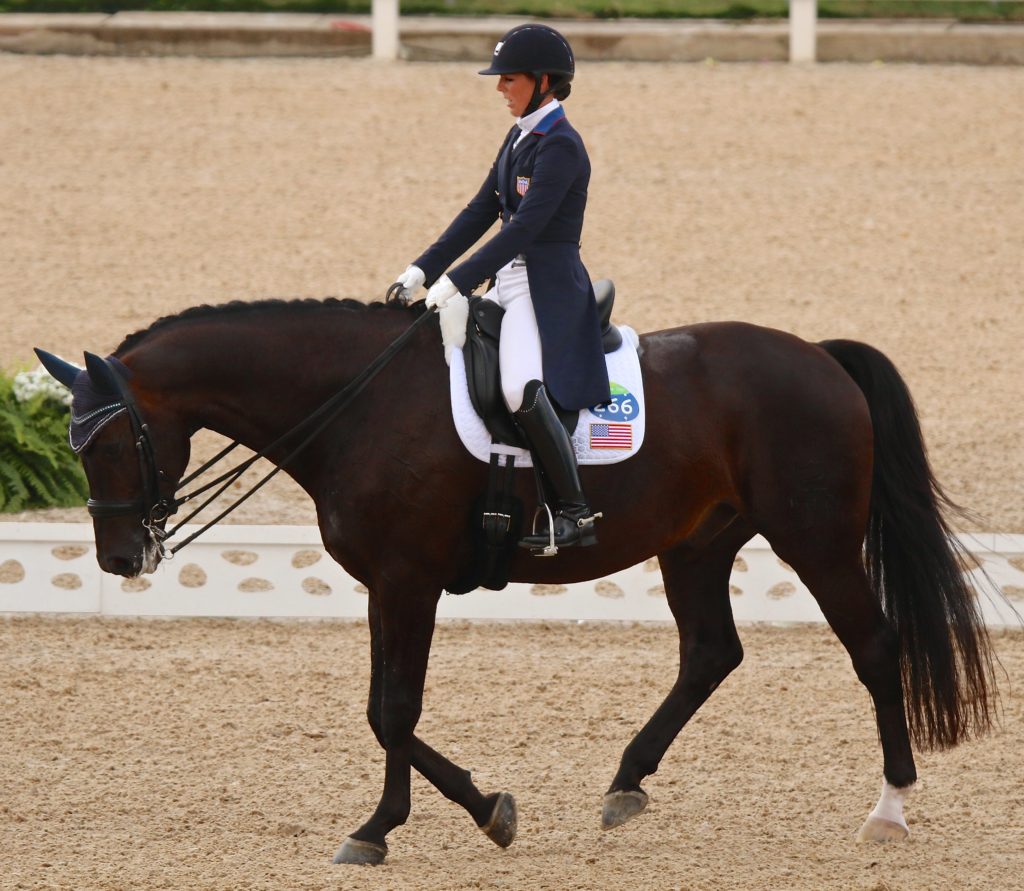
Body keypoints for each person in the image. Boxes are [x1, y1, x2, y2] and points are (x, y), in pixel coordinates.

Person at [392, 23, 610, 552]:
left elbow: (523, 228)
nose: (499, 88)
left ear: (542, 81)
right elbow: (481, 210)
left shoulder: (563, 146)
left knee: (517, 388)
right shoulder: (519, 136)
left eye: (507, 79)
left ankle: (573, 513)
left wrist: (456, 281)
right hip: (506, 282)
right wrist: (421, 270)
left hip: (544, 287)